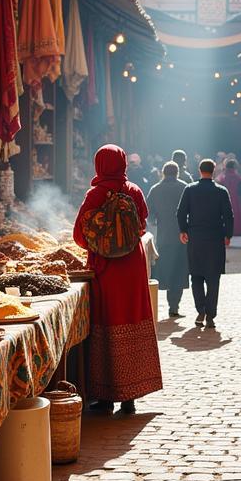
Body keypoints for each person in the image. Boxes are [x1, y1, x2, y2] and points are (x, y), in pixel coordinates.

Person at [73, 145, 163, 415]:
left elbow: (79, 235)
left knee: (106, 324)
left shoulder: (95, 193)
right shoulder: (133, 190)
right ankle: (130, 398)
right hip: (132, 267)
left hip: (105, 269)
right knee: (133, 319)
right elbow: (142, 225)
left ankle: (106, 397)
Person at [177, 158, 234, 330]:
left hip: (195, 238)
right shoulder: (221, 191)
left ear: (200, 170)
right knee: (213, 277)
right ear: (214, 171)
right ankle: (210, 314)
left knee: (196, 276)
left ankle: (200, 309)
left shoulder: (190, 189)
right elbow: (228, 215)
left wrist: (183, 230)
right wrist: (228, 235)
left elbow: (180, 212)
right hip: (215, 238)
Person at [146, 161, 189, 317]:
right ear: (177, 173)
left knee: (166, 269)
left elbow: (148, 215)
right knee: (179, 269)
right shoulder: (184, 187)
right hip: (182, 236)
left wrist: (155, 221)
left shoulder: (155, 189)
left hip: (163, 237)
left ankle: (163, 303)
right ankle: (174, 305)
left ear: (163, 173)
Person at [217, 159, 241, 247]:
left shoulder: (222, 177)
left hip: (224, 199)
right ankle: (238, 230)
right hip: (236, 198)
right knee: (236, 214)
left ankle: (226, 231)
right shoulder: (238, 177)